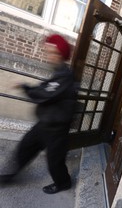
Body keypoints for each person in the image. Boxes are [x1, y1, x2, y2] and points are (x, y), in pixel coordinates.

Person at [0, 34, 77, 194]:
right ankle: (9, 175)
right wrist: (26, 86)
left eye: (53, 53)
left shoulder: (66, 76)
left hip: (56, 129)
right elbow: (44, 88)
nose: (49, 56)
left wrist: (26, 88)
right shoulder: (58, 73)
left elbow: (45, 93)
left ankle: (64, 183)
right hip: (45, 124)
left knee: (54, 162)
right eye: (47, 52)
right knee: (25, 146)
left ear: (61, 55)